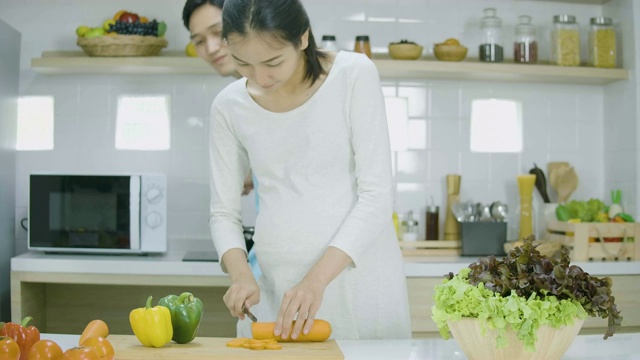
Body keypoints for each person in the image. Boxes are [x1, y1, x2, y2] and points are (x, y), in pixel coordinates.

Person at [208, 0, 411, 340]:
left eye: (273, 62)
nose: (260, 77)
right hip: (278, 290)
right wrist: (241, 275)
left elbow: (376, 196)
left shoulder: (353, 74)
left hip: (356, 283)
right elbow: (222, 212)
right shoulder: (228, 106)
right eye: (243, 63)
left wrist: (315, 282)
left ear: (302, 39)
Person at [183, 0, 262, 278]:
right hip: (266, 262)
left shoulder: (272, 85)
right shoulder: (233, 99)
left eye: (218, 32)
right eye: (199, 41)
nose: (212, 47)